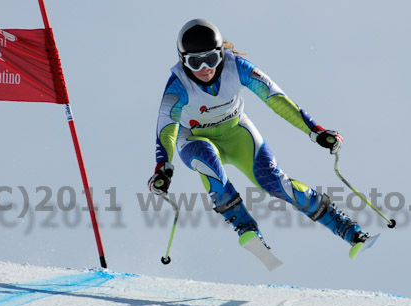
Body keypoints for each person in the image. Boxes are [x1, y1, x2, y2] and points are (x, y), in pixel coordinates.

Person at [148, 18, 372, 258]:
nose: (204, 68)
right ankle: (246, 228)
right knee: (207, 160)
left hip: (236, 132)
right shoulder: (178, 84)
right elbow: (166, 127)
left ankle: (349, 230)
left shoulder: (237, 67)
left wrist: (316, 130)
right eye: (195, 62)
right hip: (193, 139)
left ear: (221, 53)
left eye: (211, 59)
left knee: (275, 183)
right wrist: (163, 167)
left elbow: (276, 99)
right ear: (183, 61)